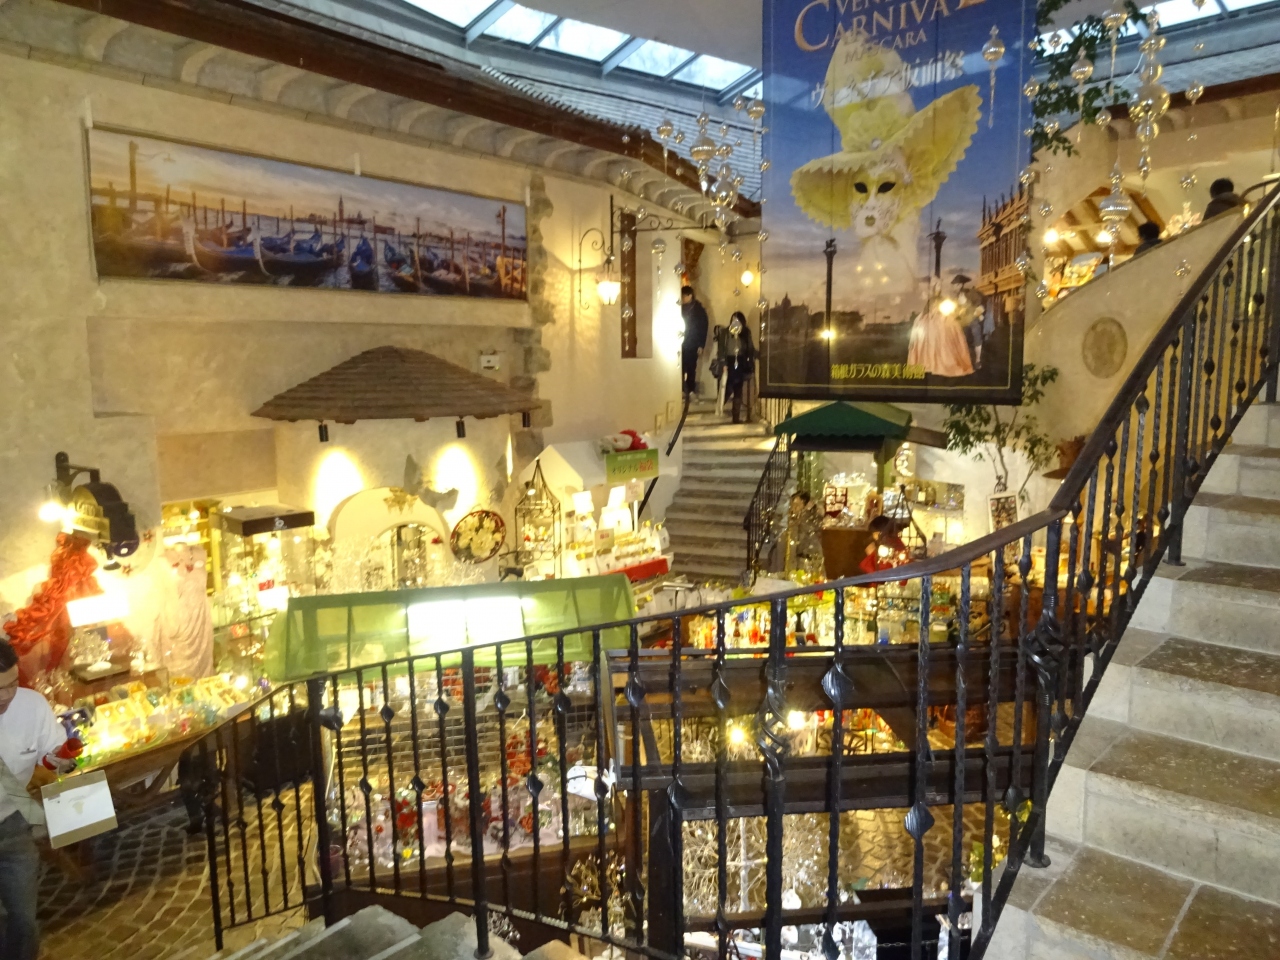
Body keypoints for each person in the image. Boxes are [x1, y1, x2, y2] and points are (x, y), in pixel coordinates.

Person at [0, 638, 72, 960]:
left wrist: (63, 758)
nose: (5, 696)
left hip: (13, 824)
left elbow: (55, 752)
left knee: (24, 920)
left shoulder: (31, 705)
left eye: (12, 684)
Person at [719, 312, 757, 424]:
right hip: (730, 361)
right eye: (733, 320)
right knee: (728, 386)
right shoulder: (725, 332)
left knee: (738, 389)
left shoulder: (745, 332)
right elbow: (721, 349)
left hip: (741, 361)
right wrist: (724, 363)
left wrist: (752, 358)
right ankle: (720, 407)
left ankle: (736, 416)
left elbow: (750, 348)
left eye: (737, 320)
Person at [680, 285, 709, 402]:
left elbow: (703, 327)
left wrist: (701, 344)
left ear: (690, 296)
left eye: (684, 296)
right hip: (681, 343)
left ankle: (691, 390)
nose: (682, 298)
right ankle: (682, 390)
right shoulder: (680, 308)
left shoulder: (698, 310)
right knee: (681, 368)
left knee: (691, 367)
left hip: (693, 343)